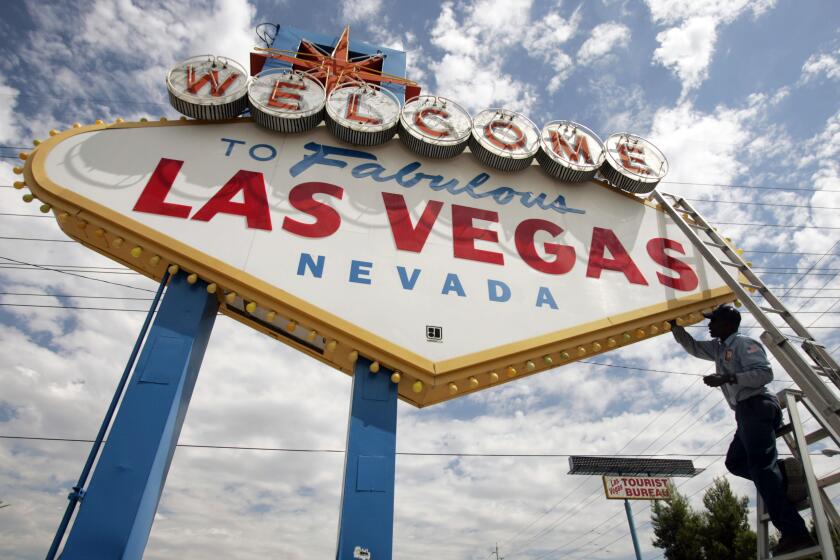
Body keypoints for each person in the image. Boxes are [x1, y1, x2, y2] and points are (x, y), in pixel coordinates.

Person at [669, 305, 815, 554]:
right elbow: (693, 347)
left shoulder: (742, 343)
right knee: (735, 462)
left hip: (757, 405)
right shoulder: (718, 348)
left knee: (761, 470)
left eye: (713, 321)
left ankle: (796, 533)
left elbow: (764, 373)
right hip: (745, 412)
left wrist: (728, 378)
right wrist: (674, 327)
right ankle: (783, 476)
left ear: (727, 324)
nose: (709, 325)